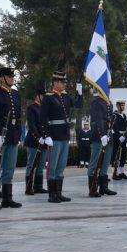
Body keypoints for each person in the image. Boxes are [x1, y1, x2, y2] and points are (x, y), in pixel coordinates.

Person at [42, 71, 82, 203]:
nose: (64, 84)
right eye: (62, 82)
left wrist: (79, 93)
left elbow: (78, 105)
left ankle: (58, 193)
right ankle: (51, 195)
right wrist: (46, 135)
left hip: (64, 135)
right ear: (55, 83)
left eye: (64, 82)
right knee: (52, 166)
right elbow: (43, 118)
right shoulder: (48, 98)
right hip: (53, 135)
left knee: (61, 165)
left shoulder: (66, 97)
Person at [0, 67, 22, 209]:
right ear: (2, 78)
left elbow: (18, 116)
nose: (12, 78)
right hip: (0, 136)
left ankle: (7, 198)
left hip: (12, 135)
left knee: (9, 168)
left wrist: (18, 134)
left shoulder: (15, 94)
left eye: (13, 76)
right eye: (9, 76)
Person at [87, 91, 116, 197]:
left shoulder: (110, 103)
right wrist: (102, 134)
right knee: (95, 161)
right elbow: (98, 119)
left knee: (106, 162)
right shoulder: (96, 103)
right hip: (99, 134)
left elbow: (110, 119)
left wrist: (110, 131)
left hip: (108, 134)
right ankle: (93, 188)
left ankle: (104, 187)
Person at [23, 90, 46, 195]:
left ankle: (38, 186)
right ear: (37, 96)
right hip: (34, 140)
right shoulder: (32, 108)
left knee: (41, 165)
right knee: (31, 164)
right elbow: (31, 125)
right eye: (42, 95)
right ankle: (29, 187)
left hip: (44, 141)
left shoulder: (44, 109)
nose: (44, 97)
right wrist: (38, 137)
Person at [110, 100, 127, 181]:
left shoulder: (124, 115)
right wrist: (119, 136)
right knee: (116, 154)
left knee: (123, 155)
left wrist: (126, 137)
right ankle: (115, 172)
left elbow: (126, 127)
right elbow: (114, 127)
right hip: (117, 137)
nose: (123, 107)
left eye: (124, 105)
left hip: (123, 137)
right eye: (121, 105)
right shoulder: (114, 115)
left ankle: (121, 172)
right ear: (117, 106)